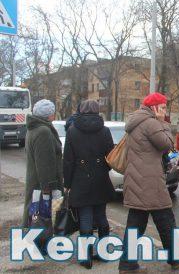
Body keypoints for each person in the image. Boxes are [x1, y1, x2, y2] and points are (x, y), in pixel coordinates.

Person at [118, 93, 179, 273]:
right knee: (164, 218)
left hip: (139, 179)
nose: (164, 111)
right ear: (153, 107)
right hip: (149, 181)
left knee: (140, 223)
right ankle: (174, 257)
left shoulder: (136, 120)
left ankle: (128, 264)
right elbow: (167, 144)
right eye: (162, 107)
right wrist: (164, 123)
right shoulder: (151, 122)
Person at [63, 100, 115, 269]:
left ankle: (86, 258)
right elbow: (110, 157)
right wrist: (102, 169)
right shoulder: (105, 130)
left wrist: (67, 182)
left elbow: (68, 160)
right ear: (97, 110)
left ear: (81, 110)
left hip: (80, 179)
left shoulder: (72, 131)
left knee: (85, 218)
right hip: (100, 179)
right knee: (101, 216)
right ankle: (104, 253)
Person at [22, 99, 63, 253]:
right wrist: (50, 187)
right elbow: (45, 162)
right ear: (49, 115)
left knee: (37, 213)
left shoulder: (35, 128)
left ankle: (37, 242)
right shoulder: (43, 131)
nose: (54, 114)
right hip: (42, 183)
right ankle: (42, 245)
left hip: (36, 181)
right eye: (53, 111)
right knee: (42, 214)